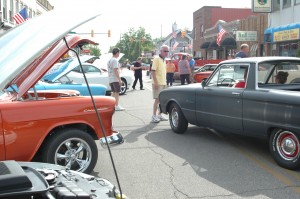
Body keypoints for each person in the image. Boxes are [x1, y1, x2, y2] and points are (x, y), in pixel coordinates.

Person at [151, 45, 169, 123]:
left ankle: (159, 115)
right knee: (157, 100)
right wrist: (155, 82)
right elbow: (153, 71)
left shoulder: (164, 60)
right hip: (158, 83)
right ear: (161, 51)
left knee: (162, 100)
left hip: (163, 82)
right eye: (165, 51)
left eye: (167, 51)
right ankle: (154, 116)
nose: (166, 53)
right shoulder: (156, 59)